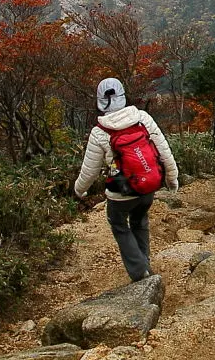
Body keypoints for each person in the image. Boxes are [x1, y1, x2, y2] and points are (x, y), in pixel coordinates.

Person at [74, 77, 179, 282]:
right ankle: (144, 263)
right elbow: (164, 151)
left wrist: (79, 190)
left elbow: (90, 170)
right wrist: (172, 178)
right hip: (148, 187)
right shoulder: (143, 119)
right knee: (140, 220)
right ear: (123, 96)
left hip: (120, 193)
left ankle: (140, 272)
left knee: (119, 225)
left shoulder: (99, 132)